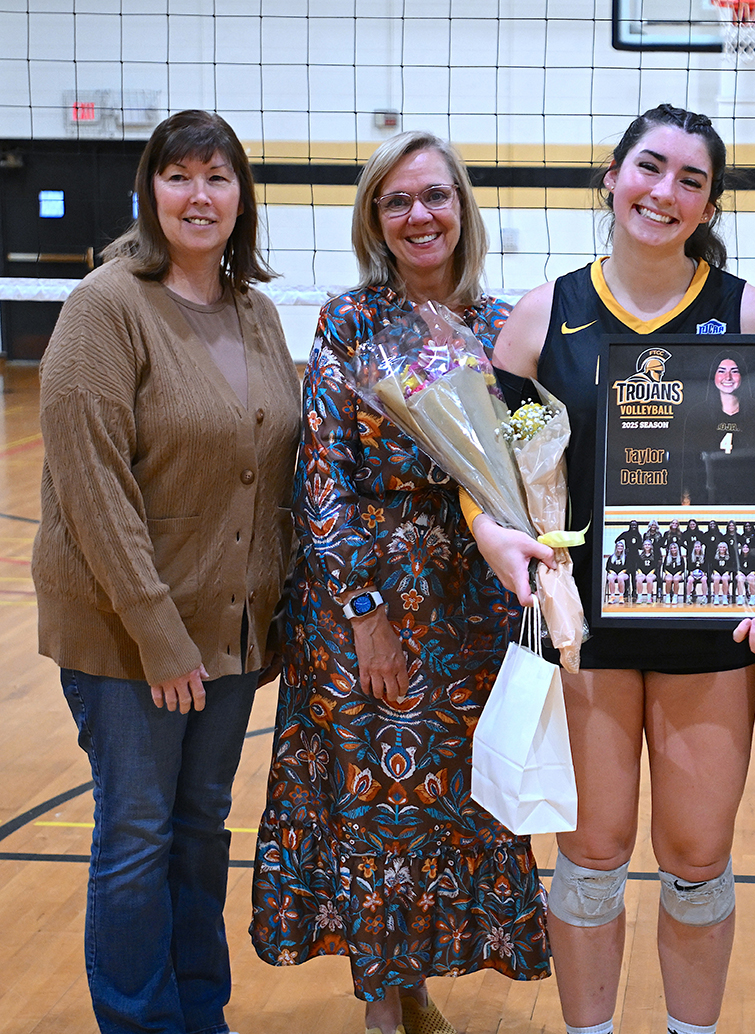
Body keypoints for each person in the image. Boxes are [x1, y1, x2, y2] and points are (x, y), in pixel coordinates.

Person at [473, 103, 755, 1034]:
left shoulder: (748, 313)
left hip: (712, 620)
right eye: (650, 169)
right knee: (592, 852)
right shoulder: (542, 320)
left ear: (709, 203)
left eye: (690, 180)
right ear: (612, 177)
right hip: (588, 628)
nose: (665, 193)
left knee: (698, 856)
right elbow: (497, 479)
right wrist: (499, 538)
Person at [249, 131, 550, 1034]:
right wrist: (365, 615)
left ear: (462, 208)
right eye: (397, 201)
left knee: (448, 805)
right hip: (364, 601)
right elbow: (322, 479)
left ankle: (416, 981)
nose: (419, 215)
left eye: (435, 197)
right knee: (367, 802)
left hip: (476, 604)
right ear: (375, 220)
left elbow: (538, 462)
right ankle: (385, 1004)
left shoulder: (509, 328)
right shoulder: (348, 322)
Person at [31, 109, 300, 1034]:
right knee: (139, 840)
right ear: (150, 190)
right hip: (127, 638)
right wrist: (159, 636)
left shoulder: (257, 314)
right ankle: (140, 1021)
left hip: (224, 638)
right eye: (179, 175)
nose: (199, 194)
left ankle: (199, 1010)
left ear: (241, 198)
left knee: (198, 836)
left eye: (217, 177)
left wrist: (268, 620)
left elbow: (269, 478)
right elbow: (92, 489)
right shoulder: (104, 308)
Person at [680, 350, 755, 505]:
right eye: (721, 371)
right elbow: (689, 467)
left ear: (743, 376)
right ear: (713, 375)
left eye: (734, 371)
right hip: (708, 504)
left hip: (751, 502)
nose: (728, 377)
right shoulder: (698, 415)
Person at [605, 538, 630, 604]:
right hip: (614, 574)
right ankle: (612, 596)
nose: (620, 547)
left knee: (620, 578)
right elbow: (607, 567)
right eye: (618, 546)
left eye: (621, 546)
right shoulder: (612, 557)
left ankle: (621, 596)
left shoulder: (626, 557)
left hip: (623, 574)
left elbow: (629, 568)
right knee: (610, 577)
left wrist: (623, 571)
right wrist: (611, 571)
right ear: (616, 547)